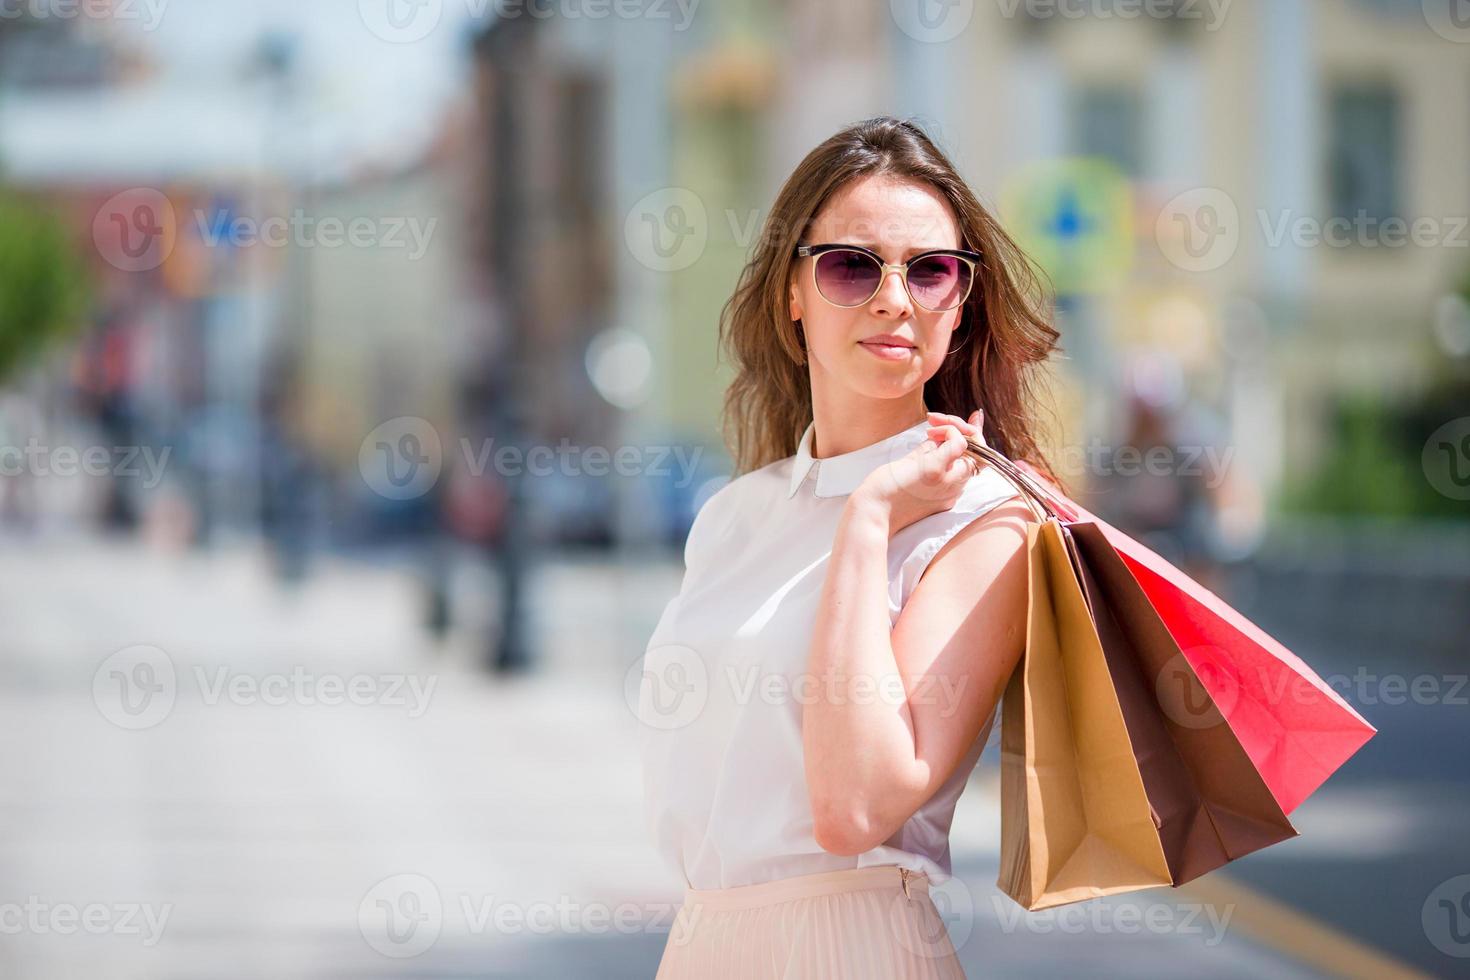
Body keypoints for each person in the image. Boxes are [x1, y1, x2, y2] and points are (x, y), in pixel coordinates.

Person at [638, 115, 1064, 978]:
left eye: (932, 270)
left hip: (855, 949)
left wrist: (870, 520)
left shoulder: (989, 526)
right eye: (850, 265)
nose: (894, 299)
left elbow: (856, 806)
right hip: (703, 948)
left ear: (963, 298)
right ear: (792, 290)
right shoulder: (735, 514)